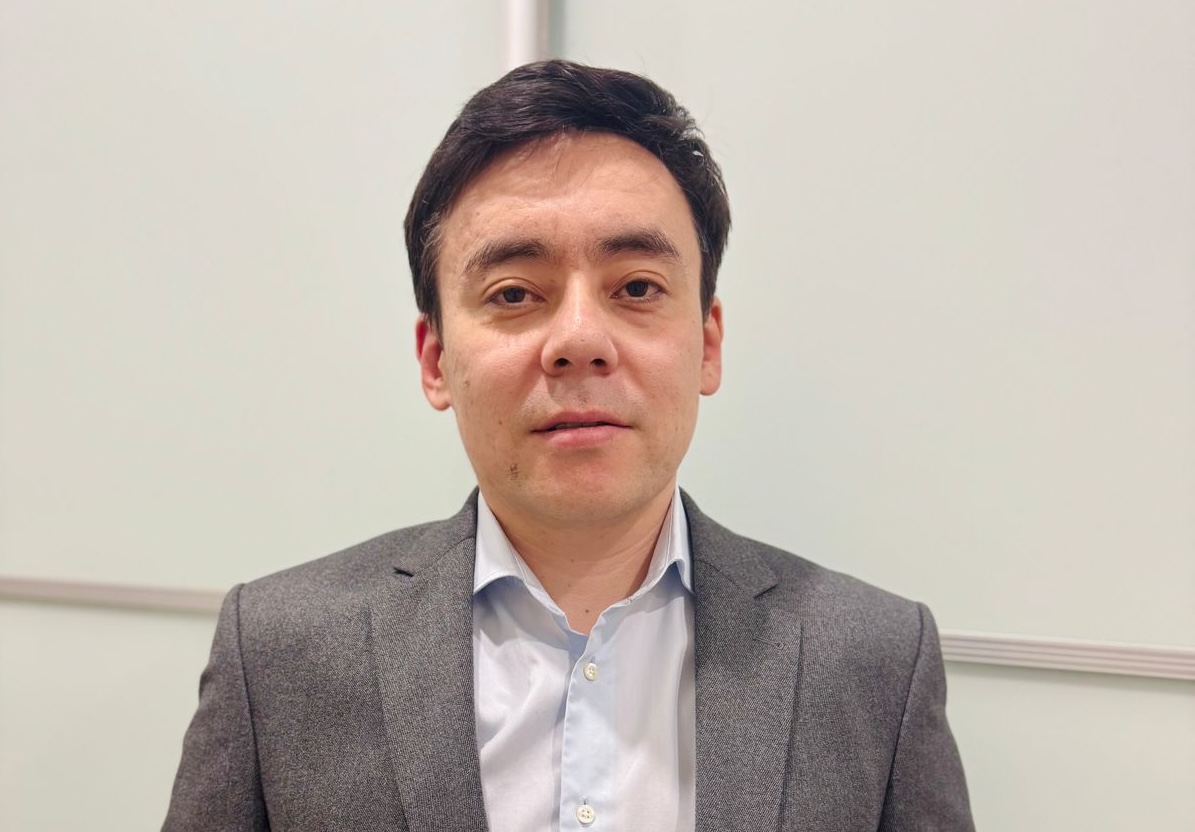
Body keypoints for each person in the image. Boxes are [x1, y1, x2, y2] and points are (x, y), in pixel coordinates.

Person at [164, 60, 974, 831]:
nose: (579, 340)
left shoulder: (872, 659)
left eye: (637, 287)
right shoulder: (278, 651)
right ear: (435, 359)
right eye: (515, 293)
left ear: (707, 344)